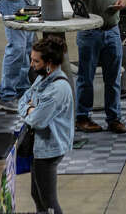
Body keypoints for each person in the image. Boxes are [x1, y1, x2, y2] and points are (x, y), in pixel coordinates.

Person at [72, 0, 126, 135]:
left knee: (113, 77)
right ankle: (82, 117)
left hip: (112, 30)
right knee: (86, 77)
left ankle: (114, 118)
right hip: (89, 32)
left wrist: (123, 2)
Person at [19, 36, 74, 214]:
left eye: (36, 61)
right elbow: (23, 99)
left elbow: (37, 121)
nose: (32, 64)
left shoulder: (57, 89)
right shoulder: (44, 77)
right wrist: (30, 108)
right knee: (37, 195)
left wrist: (29, 111)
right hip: (40, 147)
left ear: (49, 63)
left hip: (49, 149)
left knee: (48, 202)